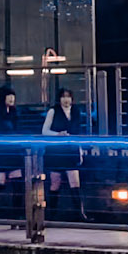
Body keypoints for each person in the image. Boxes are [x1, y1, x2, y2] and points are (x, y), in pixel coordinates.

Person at [41, 86, 83, 217]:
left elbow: (78, 132)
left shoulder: (76, 111)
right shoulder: (53, 111)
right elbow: (44, 131)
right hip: (56, 151)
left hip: (71, 149)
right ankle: (51, 214)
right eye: (63, 97)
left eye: (68, 96)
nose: (66, 100)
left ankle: (80, 214)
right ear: (59, 99)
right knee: (55, 182)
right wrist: (58, 134)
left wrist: (80, 150)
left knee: (75, 181)